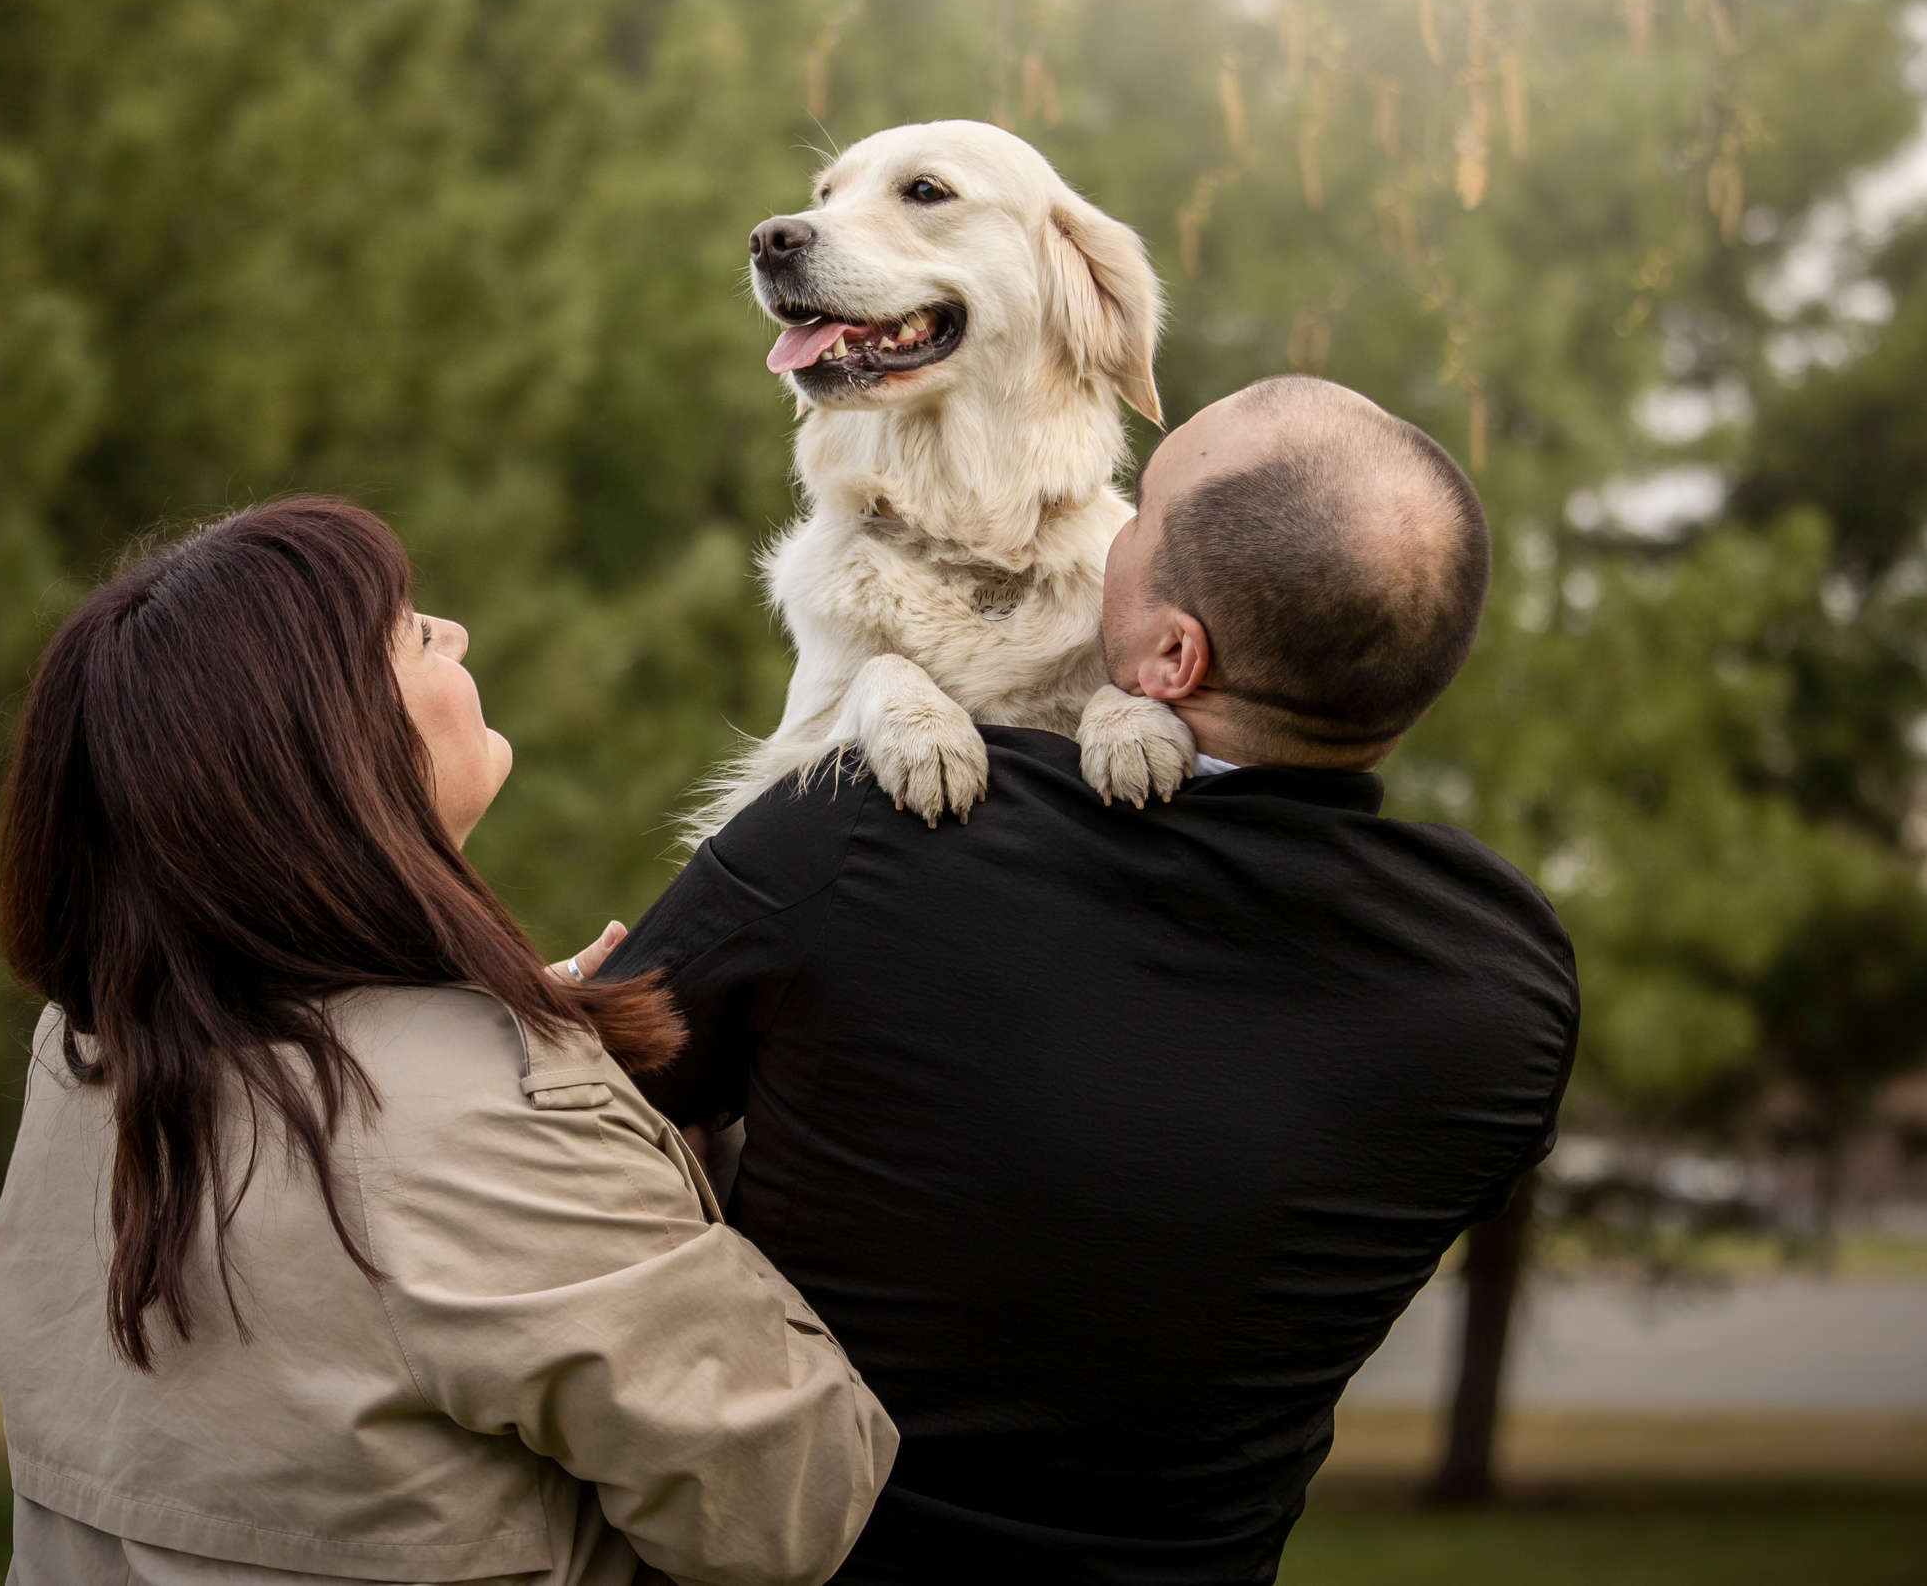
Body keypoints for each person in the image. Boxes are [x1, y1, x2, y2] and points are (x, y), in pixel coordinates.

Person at [606, 376, 1580, 1585]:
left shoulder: (867, 839)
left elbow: (573, 1119)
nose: (1102, 521)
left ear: (1173, 656)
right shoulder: (1508, 986)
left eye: (1137, 512)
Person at [0, 496, 895, 1586]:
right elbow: (794, 1507)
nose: (455, 635)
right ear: (335, 748)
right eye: (414, 632)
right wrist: (596, 1133)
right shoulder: (484, 1128)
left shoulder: (84, 1053)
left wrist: (492, 1045)